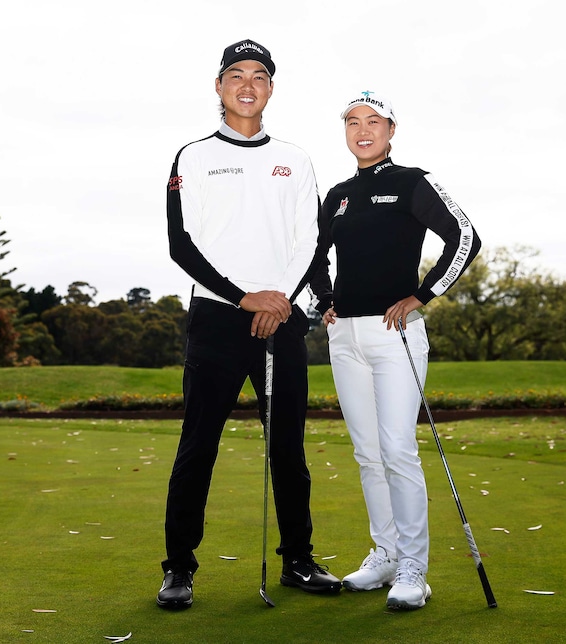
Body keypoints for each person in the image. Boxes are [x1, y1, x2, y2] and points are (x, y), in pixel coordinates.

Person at [156, 39, 342, 610]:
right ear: (218, 87)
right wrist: (244, 297)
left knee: (288, 448)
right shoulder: (192, 155)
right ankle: (179, 568)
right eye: (235, 74)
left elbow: (311, 240)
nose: (247, 83)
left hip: (282, 315)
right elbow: (180, 245)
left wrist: (278, 299)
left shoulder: (296, 158)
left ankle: (299, 561)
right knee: (198, 447)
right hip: (216, 317)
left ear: (270, 89)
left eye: (259, 75)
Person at [309, 91, 480, 610]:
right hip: (345, 338)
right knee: (367, 453)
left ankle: (413, 568)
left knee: (397, 449)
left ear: (390, 130)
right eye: (353, 122)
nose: (363, 130)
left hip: (396, 334)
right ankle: (384, 553)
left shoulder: (412, 182)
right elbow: (316, 255)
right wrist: (325, 302)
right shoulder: (337, 194)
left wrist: (421, 296)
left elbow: (465, 238)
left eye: (373, 122)